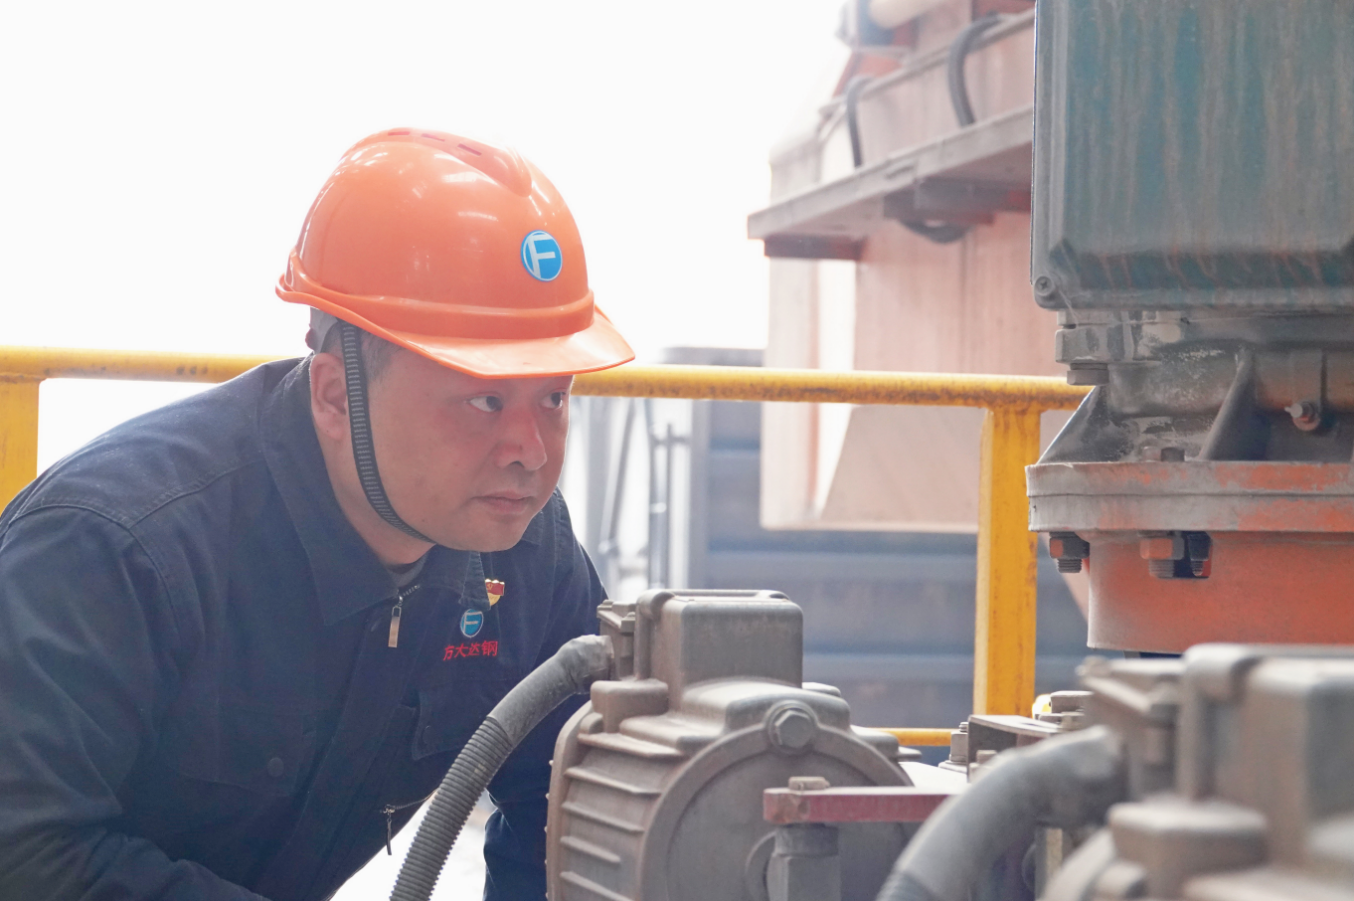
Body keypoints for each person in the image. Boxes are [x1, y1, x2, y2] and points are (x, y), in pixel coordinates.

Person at [0, 128, 633, 901]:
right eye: (485, 400)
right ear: (336, 395)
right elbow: (24, 852)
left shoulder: (527, 550)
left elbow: (569, 805)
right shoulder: (115, 551)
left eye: (554, 398)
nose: (530, 451)